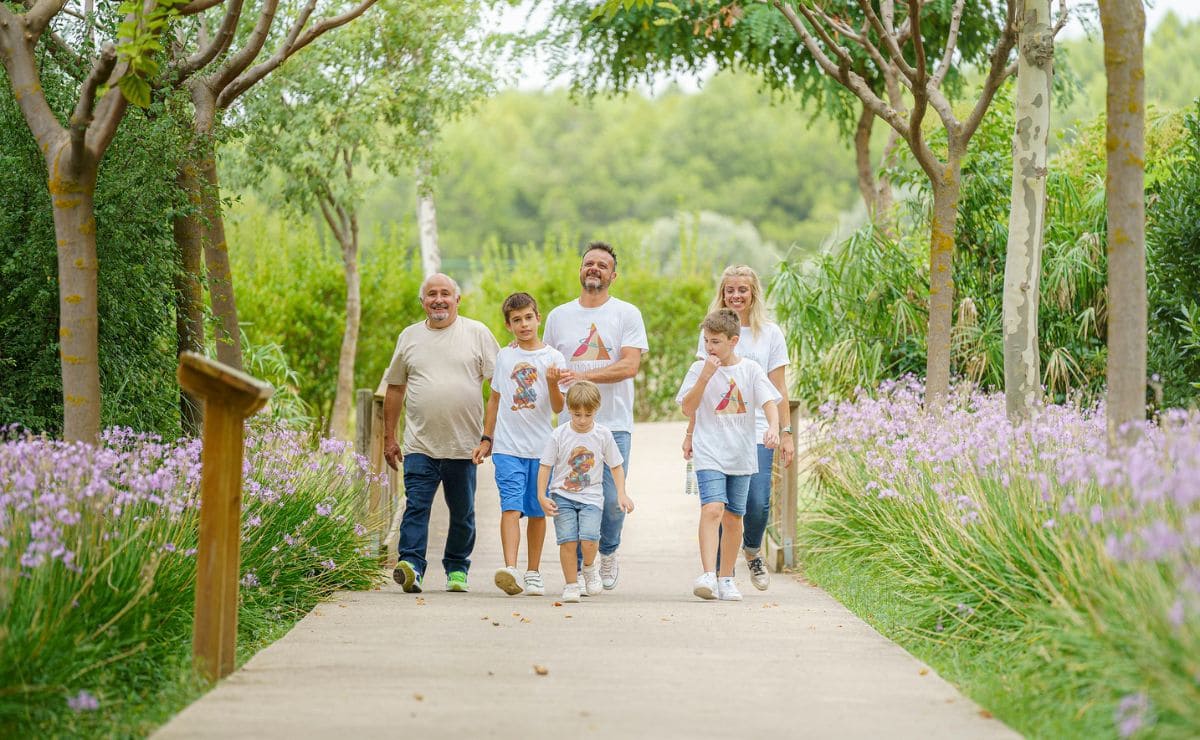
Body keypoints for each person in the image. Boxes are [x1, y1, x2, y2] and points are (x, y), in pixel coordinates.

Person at [383, 273, 499, 594]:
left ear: (457, 300)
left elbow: (500, 387)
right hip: (420, 444)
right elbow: (395, 388)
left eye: (445, 294)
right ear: (422, 302)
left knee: (462, 513)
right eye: (431, 294)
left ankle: (457, 568)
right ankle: (411, 566)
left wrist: (490, 435)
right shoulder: (409, 337)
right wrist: (389, 438)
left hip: (465, 446)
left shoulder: (477, 333)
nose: (438, 299)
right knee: (417, 507)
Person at [542, 242, 648, 591]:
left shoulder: (626, 314)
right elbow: (546, 362)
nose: (595, 268)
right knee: (570, 495)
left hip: (613, 424)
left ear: (612, 275)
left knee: (612, 503)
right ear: (580, 269)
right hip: (569, 426)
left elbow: (630, 365)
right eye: (589, 263)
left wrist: (585, 377)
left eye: (603, 265)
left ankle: (609, 552)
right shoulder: (558, 316)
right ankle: (576, 575)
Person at [683, 265, 794, 591]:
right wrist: (690, 433)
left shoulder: (770, 333)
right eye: (730, 290)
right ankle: (719, 575)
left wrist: (784, 433)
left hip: (759, 429)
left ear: (753, 293)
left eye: (742, 290)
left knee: (756, 504)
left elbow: (779, 389)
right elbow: (700, 388)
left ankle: (752, 549)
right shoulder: (711, 331)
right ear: (722, 293)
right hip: (717, 430)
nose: (735, 295)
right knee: (718, 505)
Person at [472, 292, 565, 596]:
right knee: (510, 506)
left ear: (538, 318)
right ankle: (510, 568)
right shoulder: (505, 356)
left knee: (538, 511)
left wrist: (552, 382)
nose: (524, 324)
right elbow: (495, 399)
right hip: (507, 448)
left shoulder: (553, 358)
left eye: (528, 317)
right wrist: (487, 438)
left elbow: (558, 407)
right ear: (508, 325)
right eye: (517, 320)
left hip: (542, 449)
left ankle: (534, 571)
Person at [537, 381, 634, 603]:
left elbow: (616, 465)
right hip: (562, 496)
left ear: (596, 410)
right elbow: (545, 466)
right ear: (569, 410)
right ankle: (571, 583)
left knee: (590, 539)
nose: (582, 420)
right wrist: (541, 495)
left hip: (591, 497)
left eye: (587, 414)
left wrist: (621, 493)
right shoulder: (559, 435)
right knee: (568, 541)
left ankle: (589, 568)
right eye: (577, 414)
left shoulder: (603, 435)